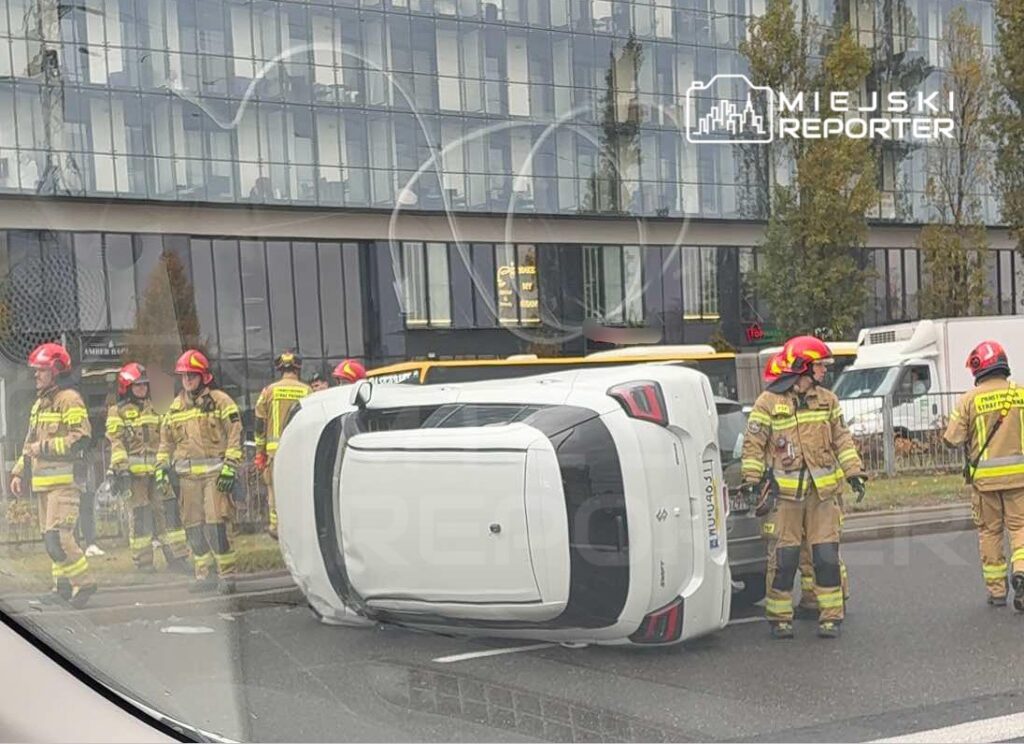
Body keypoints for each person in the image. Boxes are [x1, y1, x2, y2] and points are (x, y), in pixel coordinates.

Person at [741, 335, 866, 639]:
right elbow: (754, 445)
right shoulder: (767, 403)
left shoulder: (827, 400)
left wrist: (854, 472)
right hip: (785, 499)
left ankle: (831, 617)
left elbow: (842, 439)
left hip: (822, 496)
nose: (824, 371)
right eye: (820, 366)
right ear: (802, 368)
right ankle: (780, 618)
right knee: (784, 559)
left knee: (825, 556)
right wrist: (752, 481)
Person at [8, 343, 97, 608]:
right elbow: (28, 441)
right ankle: (62, 587)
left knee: (58, 538)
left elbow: (81, 438)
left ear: (56, 370)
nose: (36, 375)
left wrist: (43, 448)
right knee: (51, 540)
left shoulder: (69, 399)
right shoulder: (40, 404)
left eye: (41, 370)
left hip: (65, 483)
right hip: (45, 485)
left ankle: (85, 582)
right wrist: (18, 472)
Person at [943, 340, 1024, 609]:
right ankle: (1021, 571)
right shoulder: (1021, 394)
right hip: (1020, 479)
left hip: (985, 482)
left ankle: (997, 592)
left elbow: (951, 439)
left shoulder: (969, 399)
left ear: (979, 369)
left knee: (990, 533)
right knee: (1020, 529)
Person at [156, 350, 243, 594]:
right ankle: (204, 574)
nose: (187, 381)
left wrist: (230, 465)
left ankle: (227, 576)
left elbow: (235, 434)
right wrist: (161, 467)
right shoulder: (174, 408)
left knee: (217, 526)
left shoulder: (221, 401)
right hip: (187, 480)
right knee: (193, 527)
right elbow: (166, 442)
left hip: (216, 477)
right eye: (183, 376)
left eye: (192, 376)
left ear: (203, 377)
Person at [106, 362, 189, 573]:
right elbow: (116, 442)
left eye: (144, 385)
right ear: (127, 387)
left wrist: (170, 463)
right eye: (137, 385)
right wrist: (121, 469)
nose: (142, 389)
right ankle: (144, 563)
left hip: (159, 473)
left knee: (168, 514)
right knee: (141, 517)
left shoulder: (157, 408)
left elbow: (167, 438)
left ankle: (177, 558)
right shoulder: (118, 412)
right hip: (134, 477)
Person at [254, 350, 311, 539]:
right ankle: (300, 525)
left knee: (274, 490)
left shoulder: (268, 391)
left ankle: (275, 526)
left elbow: (259, 424)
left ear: (280, 370)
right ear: (297, 369)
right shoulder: (307, 391)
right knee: (299, 489)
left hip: (274, 453)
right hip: (300, 451)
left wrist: (260, 451)